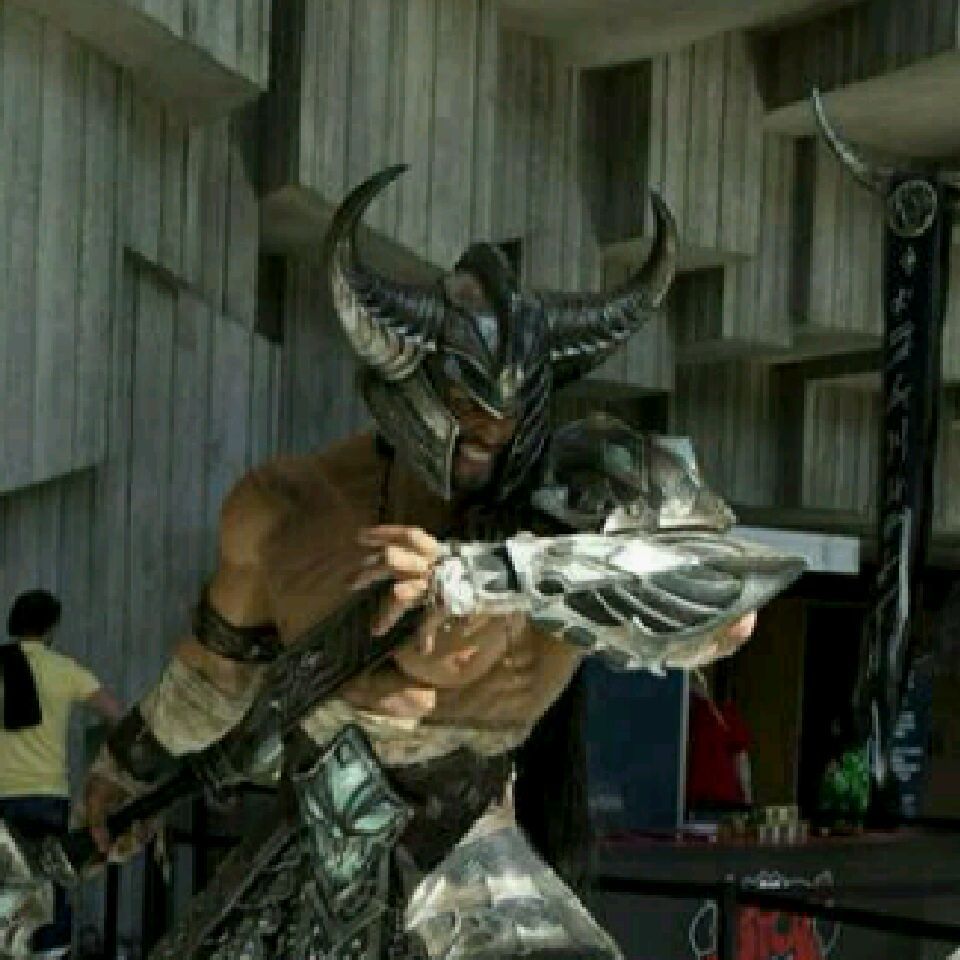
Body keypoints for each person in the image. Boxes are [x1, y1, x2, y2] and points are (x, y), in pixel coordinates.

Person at [77, 167, 787, 960]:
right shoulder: (289, 508)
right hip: (297, 885)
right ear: (412, 384)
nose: (492, 437)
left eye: (511, 416)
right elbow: (213, 681)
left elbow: (728, 604)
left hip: (479, 891)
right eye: (470, 411)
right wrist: (125, 773)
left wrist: (492, 576)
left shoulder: (572, 503)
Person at [0, 589, 122, 958]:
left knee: (3, 888)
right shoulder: (65, 671)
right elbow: (117, 714)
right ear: (51, 628)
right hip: (47, 796)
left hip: (1, 795)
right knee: (50, 886)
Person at [686, 670, 754, 814]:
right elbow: (741, 760)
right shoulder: (724, 715)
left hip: (693, 798)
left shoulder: (683, 715)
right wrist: (748, 800)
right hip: (723, 797)